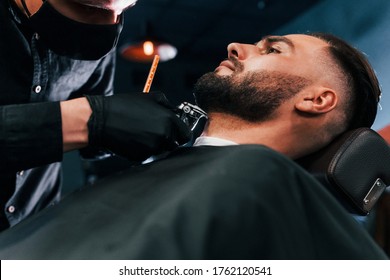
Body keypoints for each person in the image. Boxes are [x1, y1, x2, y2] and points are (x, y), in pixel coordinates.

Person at [0, 32, 387, 260]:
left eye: (273, 50)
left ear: (317, 100)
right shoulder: (178, 170)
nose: (237, 46)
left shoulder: (264, 184)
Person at [0, 0, 191, 231]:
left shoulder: (97, 29)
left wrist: (127, 130)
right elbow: (94, 120)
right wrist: (92, 120)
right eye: (91, 9)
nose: (109, 24)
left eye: (123, 10)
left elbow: (94, 143)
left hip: (34, 223)